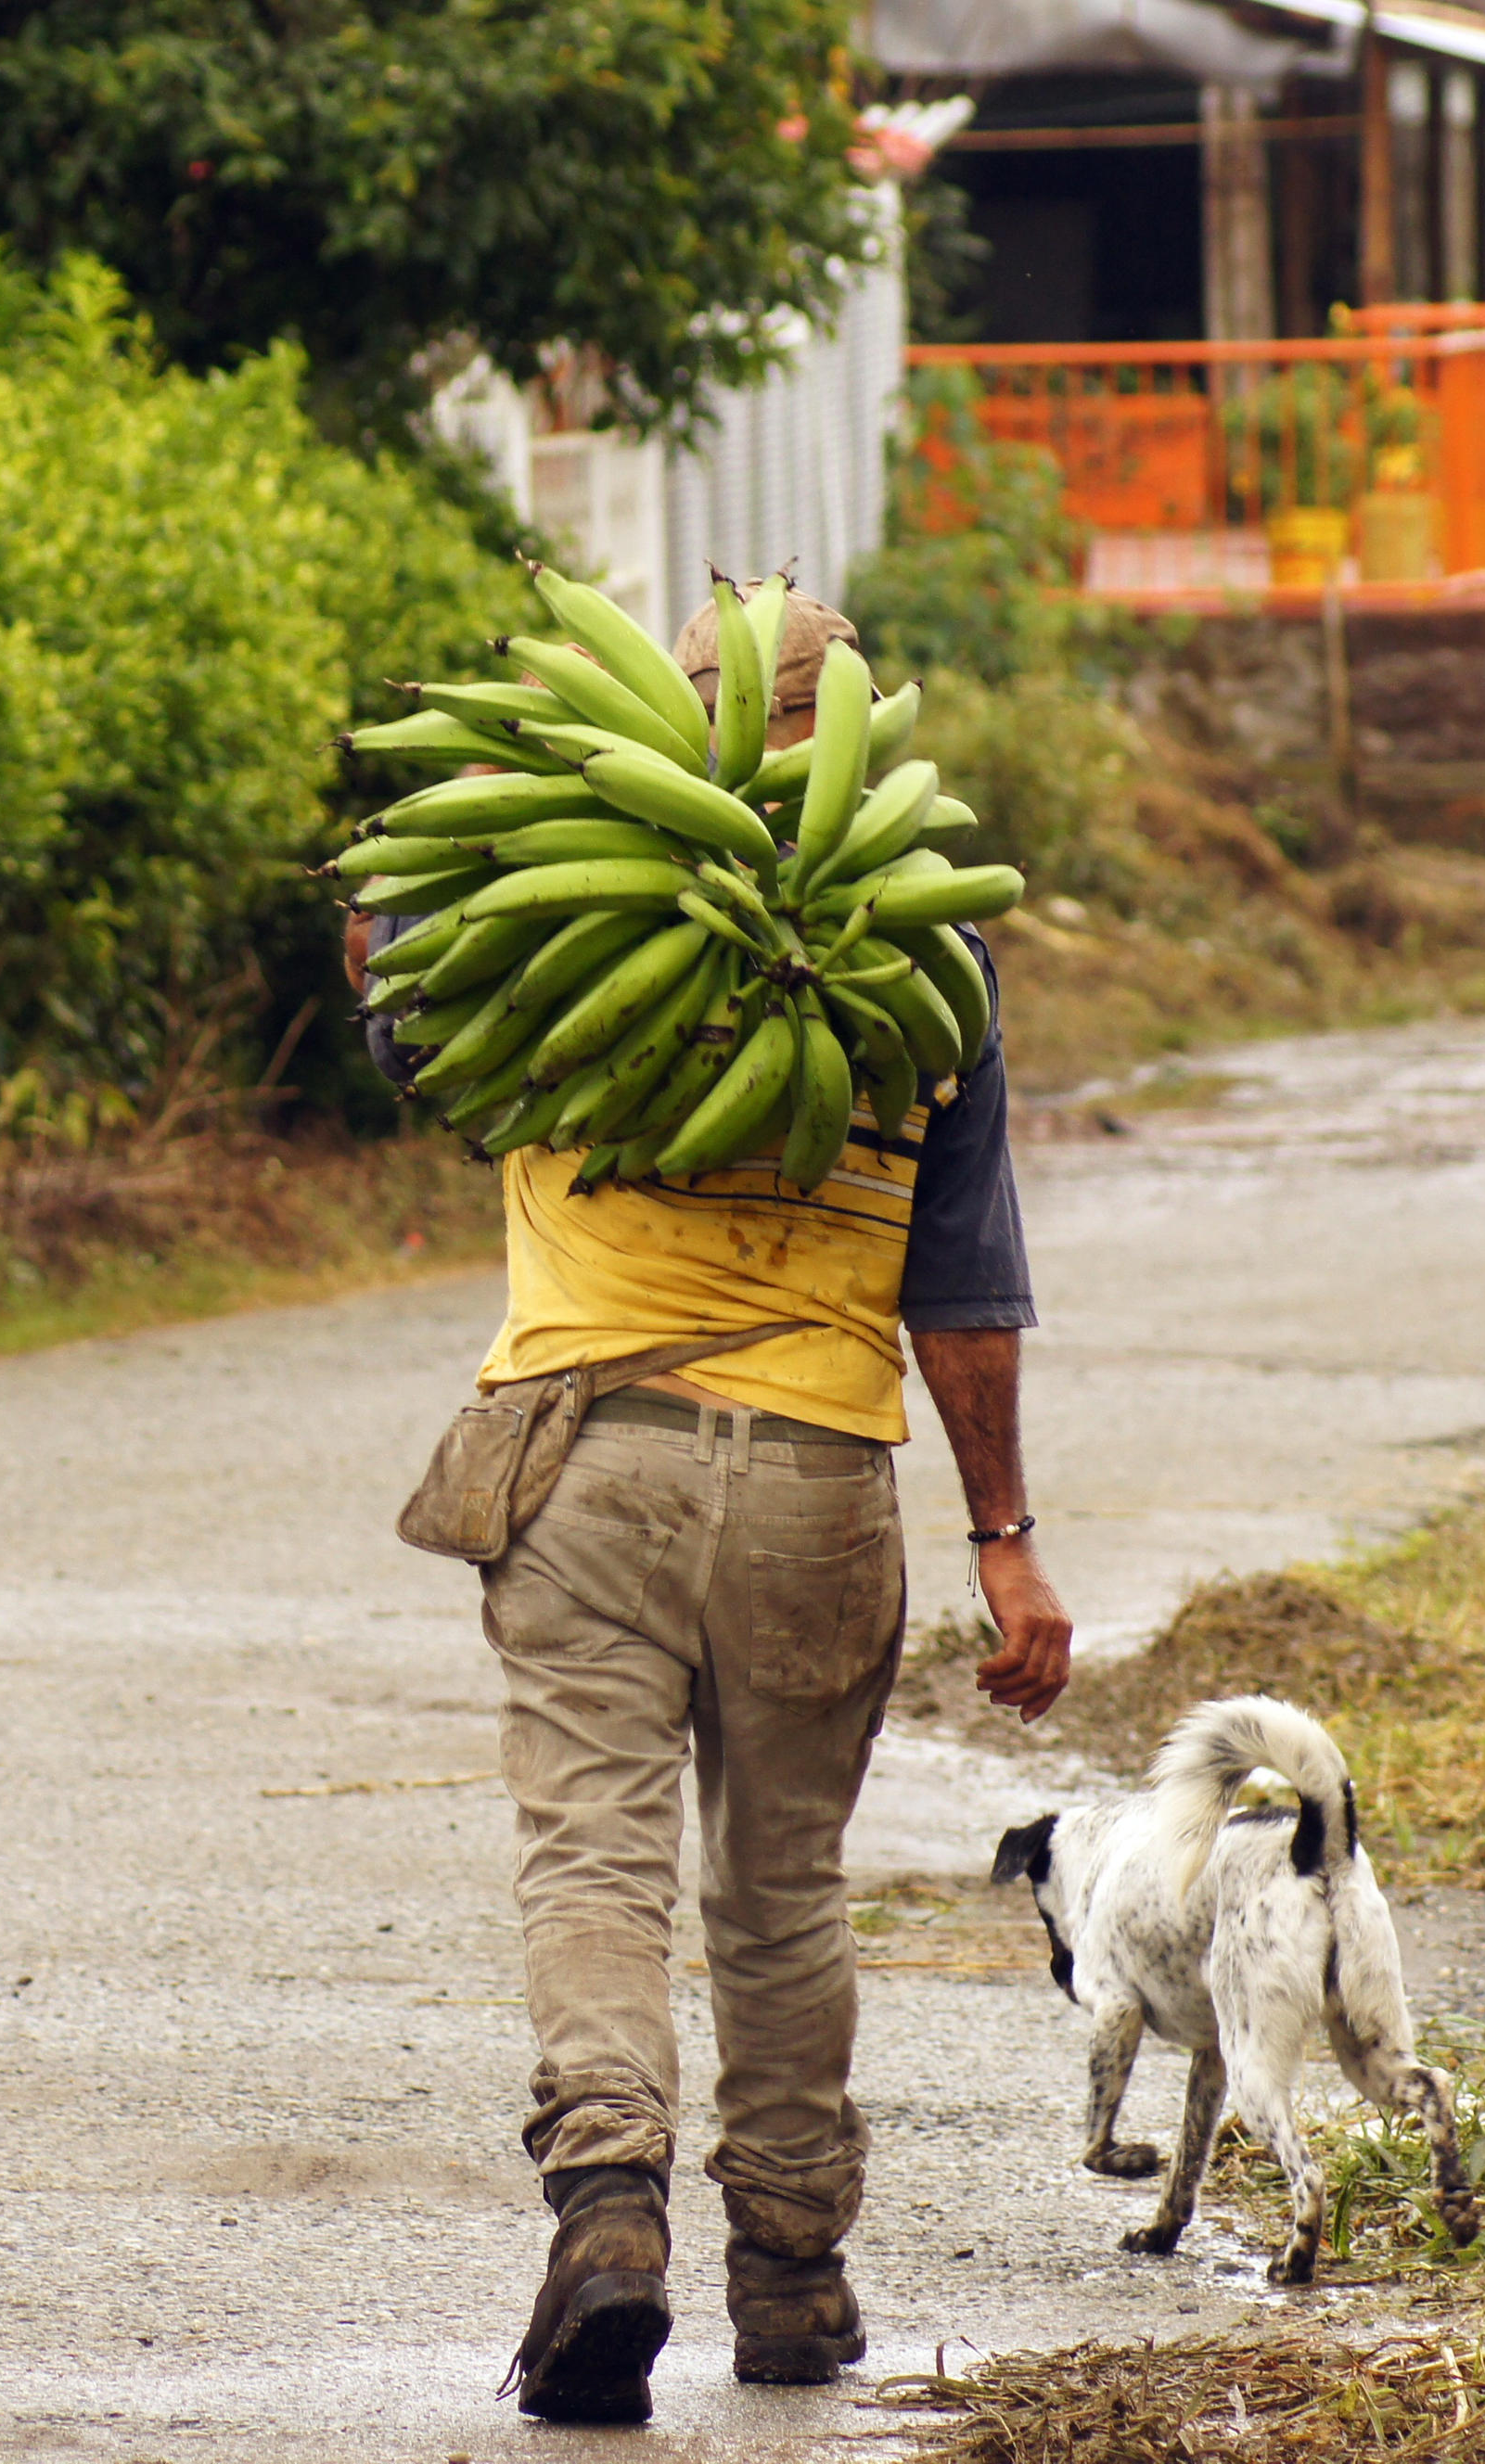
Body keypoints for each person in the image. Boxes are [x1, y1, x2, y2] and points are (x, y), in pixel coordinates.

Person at [352, 590, 1071, 2426]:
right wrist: (1004, 1536)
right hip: (819, 1483)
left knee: (589, 1854)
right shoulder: (933, 970)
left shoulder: (552, 918)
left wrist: (387, 933)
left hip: (584, 1461)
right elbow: (963, 1288)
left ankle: (607, 2210)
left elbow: (402, 1036)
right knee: (775, 1897)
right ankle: (792, 2276)